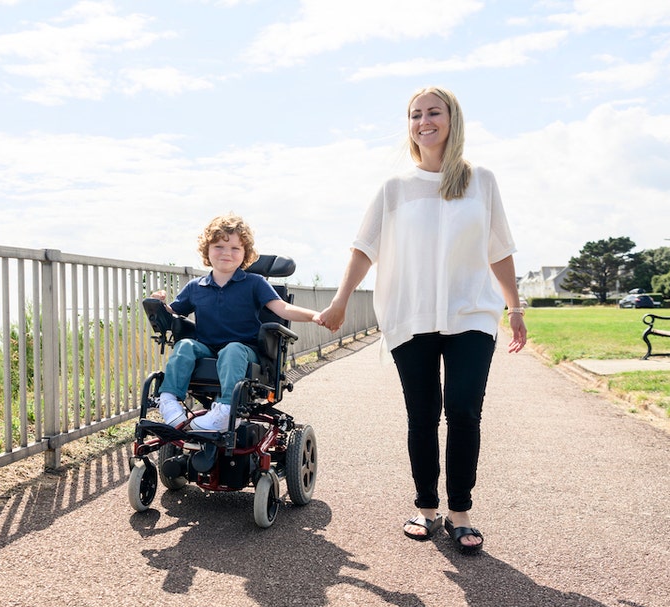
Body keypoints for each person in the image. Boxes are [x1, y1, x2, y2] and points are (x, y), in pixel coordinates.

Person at [317, 86, 527, 554]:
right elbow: (364, 248)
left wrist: (514, 307)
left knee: (465, 411)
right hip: (410, 317)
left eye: (433, 112)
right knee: (423, 415)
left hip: (470, 314)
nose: (423, 121)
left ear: (452, 119)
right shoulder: (394, 189)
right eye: (415, 115)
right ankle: (427, 508)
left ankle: (461, 512)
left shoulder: (482, 181)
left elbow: (500, 250)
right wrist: (339, 301)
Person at [152, 213, 320, 431]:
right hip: (207, 349)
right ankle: (168, 400)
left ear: (245, 254)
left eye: (235, 248)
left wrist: (315, 316)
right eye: (219, 246)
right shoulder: (196, 287)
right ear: (207, 251)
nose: (226, 253)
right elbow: (172, 314)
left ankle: (226, 408)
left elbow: (282, 309)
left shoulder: (254, 283)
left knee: (232, 350)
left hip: (245, 350)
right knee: (184, 346)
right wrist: (159, 303)